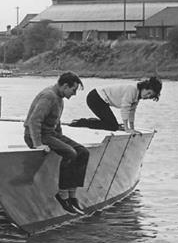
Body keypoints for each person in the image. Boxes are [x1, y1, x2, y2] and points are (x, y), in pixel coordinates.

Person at [21, 71, 89, 216]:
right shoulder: (48, 96)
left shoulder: (59, 98)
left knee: (83, 152)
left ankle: (72, 196)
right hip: (36, 135)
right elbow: (34, 121)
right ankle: (62, 195)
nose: (74, 94)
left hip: (51, 134)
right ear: (65, 86)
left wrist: (62, 140)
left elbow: (56, 123)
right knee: (70, 153)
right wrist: (38, 144)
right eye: (73, 90)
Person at [85, 76, 162, 132]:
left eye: (150, 96)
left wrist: (132, 128)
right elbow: (125, 108)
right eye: (148, 93)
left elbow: (131, 112)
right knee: (112, 126)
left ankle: (88, 122)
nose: (147, 96)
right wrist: (126, 128)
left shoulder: (137, 96)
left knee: (113, 125)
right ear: (145, 87)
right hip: (95, 97)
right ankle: (82, 123)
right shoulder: (132, 89)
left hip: (100, 99)